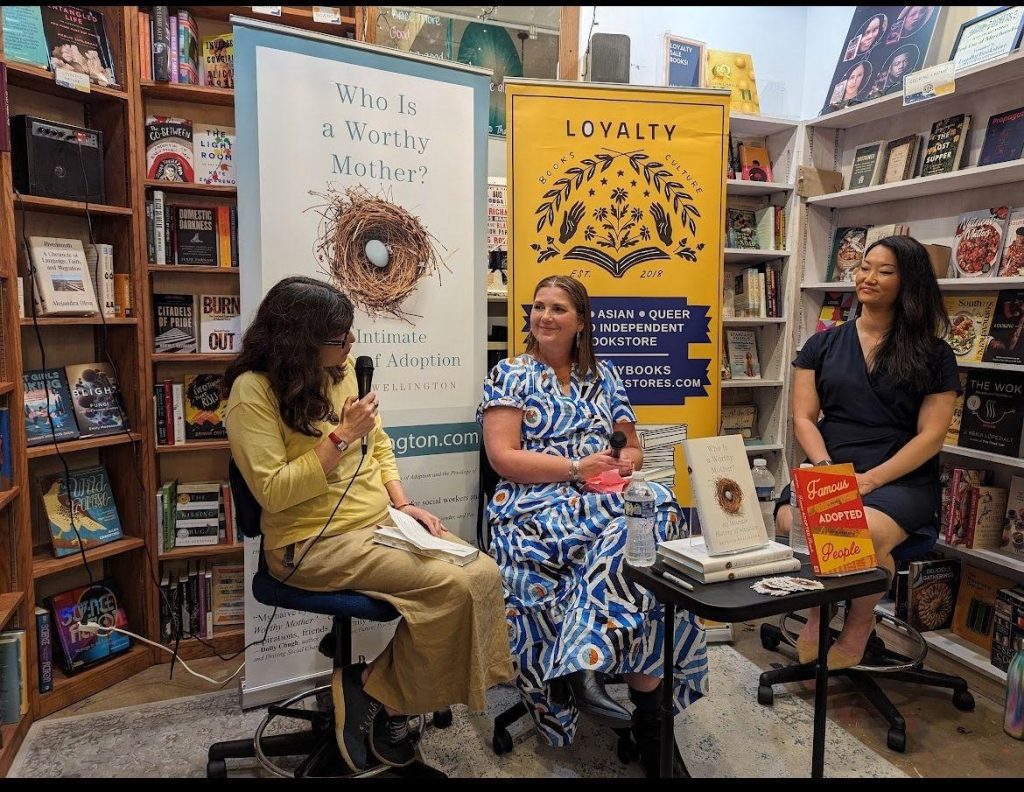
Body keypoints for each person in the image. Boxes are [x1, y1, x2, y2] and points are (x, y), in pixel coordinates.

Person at [223, 275, 514, 773]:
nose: (351, 343)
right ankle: (385, 703)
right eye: (340, 337)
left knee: (482, 572)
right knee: (451, 588)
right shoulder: (252, 393)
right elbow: (273, 491)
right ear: (300, 341)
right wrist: (340, 437)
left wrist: (403, 504)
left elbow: (378, 446)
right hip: (309, 545)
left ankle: (373, 693)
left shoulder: (339, 373)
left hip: (379, 523)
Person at [477, 274, 708, 778]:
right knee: (640, 545)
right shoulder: (511, 374)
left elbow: (633, 447)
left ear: (581, 321)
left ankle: (622, 697)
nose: (544, 316)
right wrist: (576, 468)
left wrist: (622, 465)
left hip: (600, 501)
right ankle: (637, 714)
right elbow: (503, 458)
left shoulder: (605, 376)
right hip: (533, 508)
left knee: (653, 516)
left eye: (558, 308)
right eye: (538, 306)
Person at [781, 236, 959, 669]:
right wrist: (828, 473)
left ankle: (858, 625)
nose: (869, 277)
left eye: (885, 271)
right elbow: (803, 417)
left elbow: (931, 437)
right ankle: (819, 612)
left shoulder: (935, 354)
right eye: (864, 267)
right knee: (790, 520)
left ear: (908, 282)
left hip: (900, 477)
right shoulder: (821, 345)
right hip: (831, 463)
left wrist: (871, 480)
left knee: (857, 531)